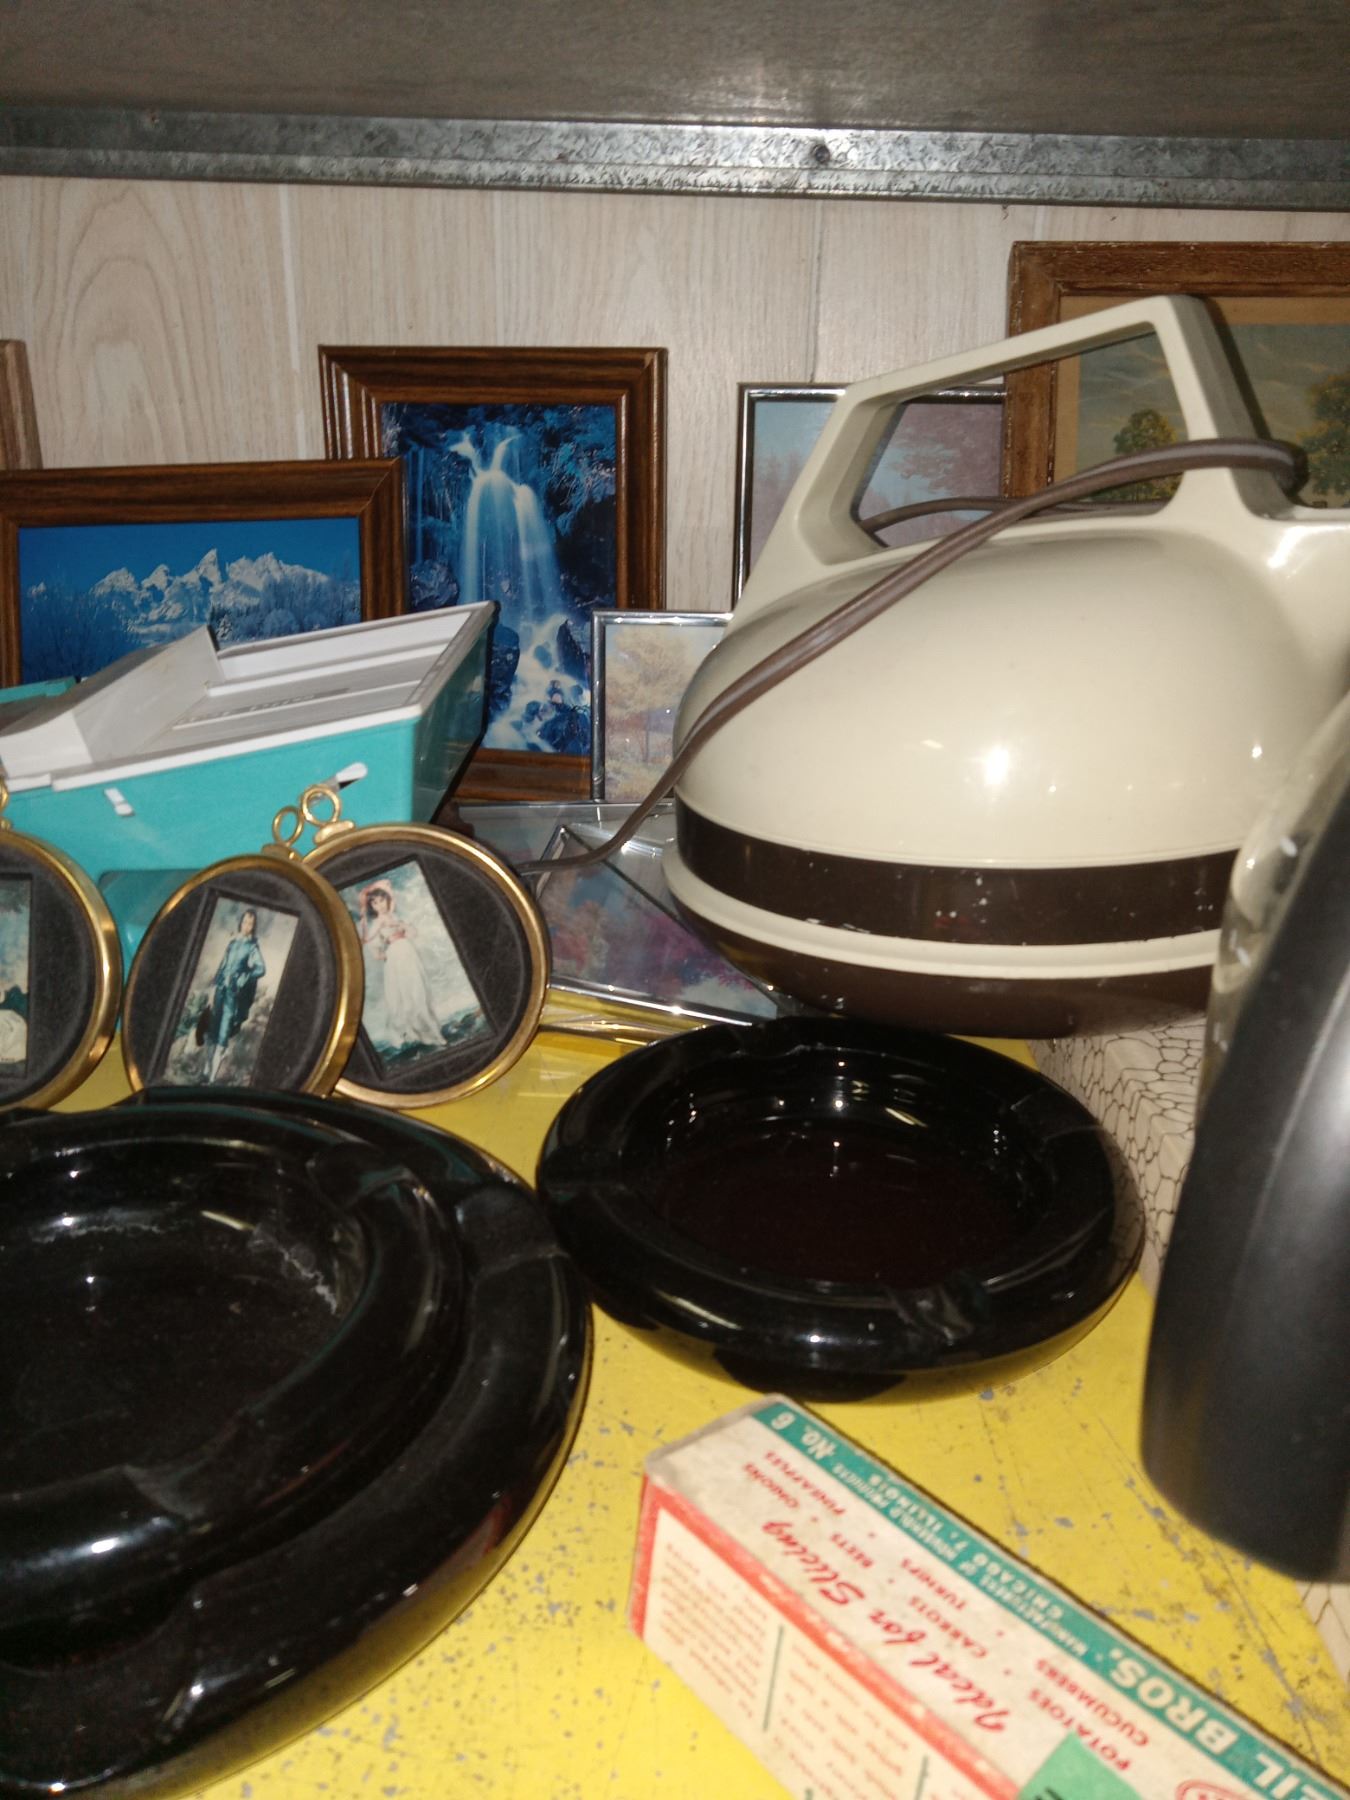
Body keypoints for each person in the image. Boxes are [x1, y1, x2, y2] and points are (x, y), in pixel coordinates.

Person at [358, 880, 443, 1049]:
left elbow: (413, 933)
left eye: (382, 901)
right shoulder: (378, 923)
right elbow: (370, 942)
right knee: (406, 993)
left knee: (419, 989)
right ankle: (415, 1033)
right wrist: (380, 954)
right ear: (372, 907)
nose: (380, 905)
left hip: (408, 951)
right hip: (396, 956)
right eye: (375, 903)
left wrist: (404, 926)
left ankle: (431, 1032)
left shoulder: (395, 917)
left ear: (387, 900)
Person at [198, 907, 266, 1081]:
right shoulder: (232, 943)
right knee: (211, 1032)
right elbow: (222, 966)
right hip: (220, 992)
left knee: (223, 1034)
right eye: (245, 922)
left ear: (253, 926)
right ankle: (205, 1072)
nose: (247, 925)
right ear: (240, 923)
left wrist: (244, 977)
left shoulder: (252, 947)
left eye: (250, 923)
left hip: (233, 997)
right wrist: (214, 988)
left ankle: (211, 1080)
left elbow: (261, 969)